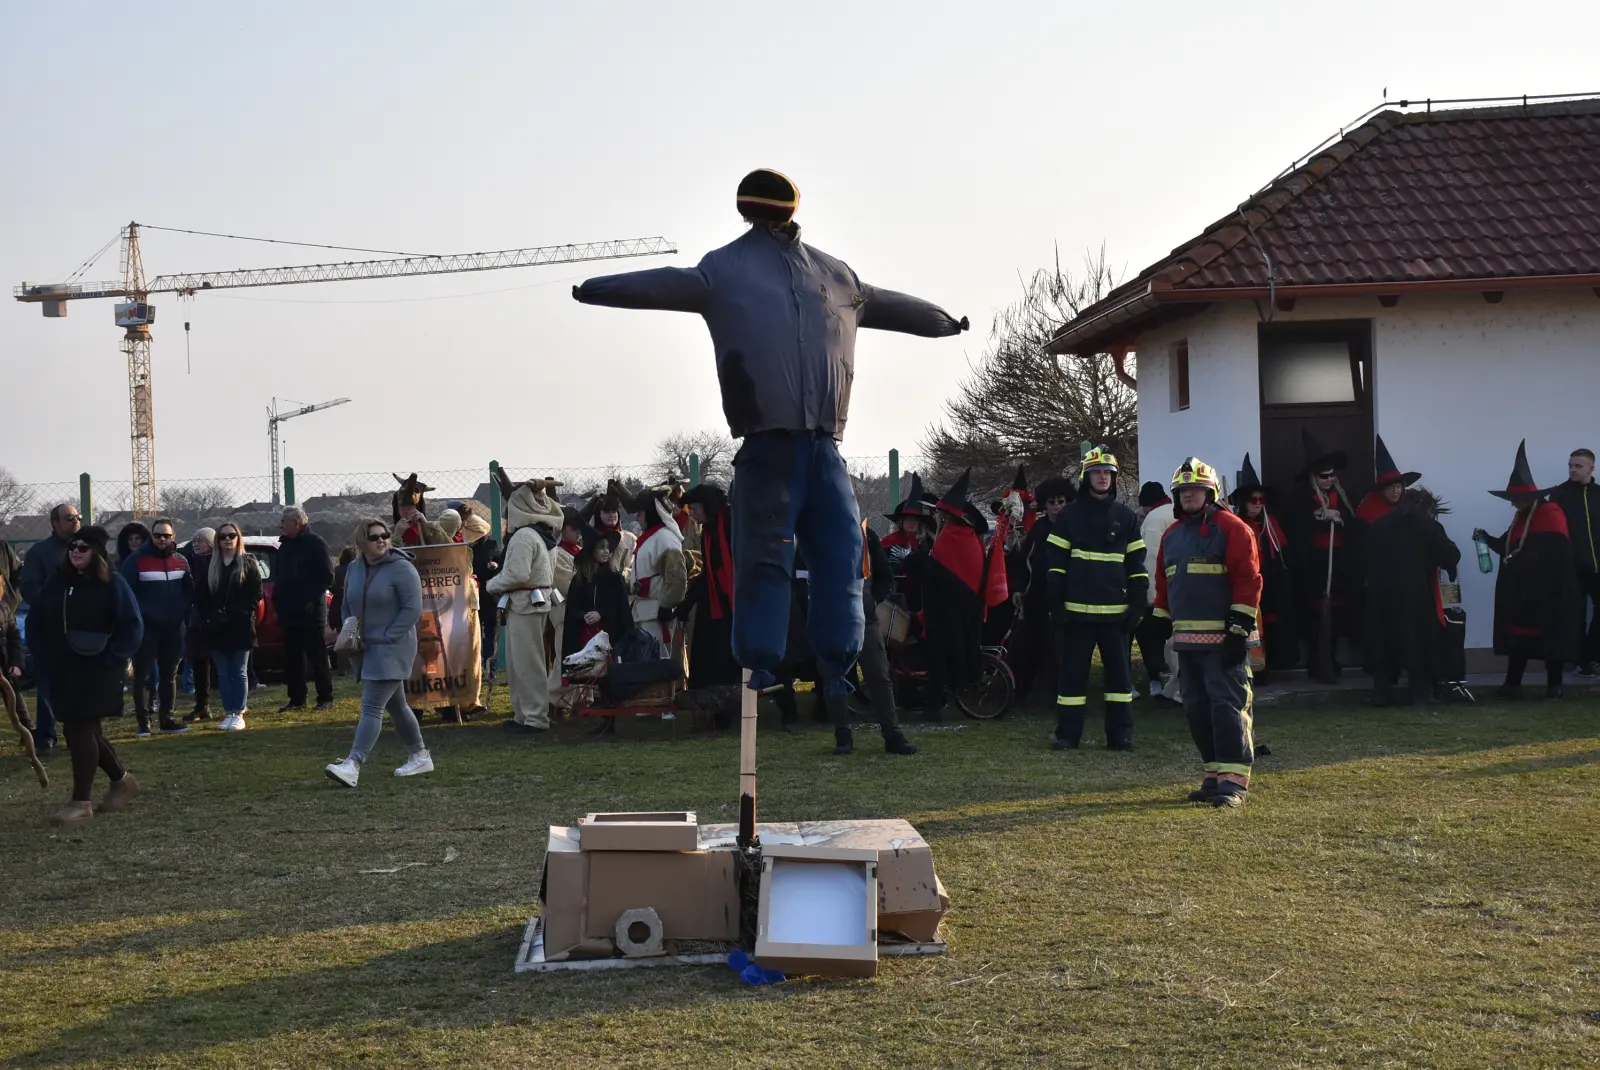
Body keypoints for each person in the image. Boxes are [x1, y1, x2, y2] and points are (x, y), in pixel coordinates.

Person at [573, 168, 967, 704]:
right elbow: (666, 284)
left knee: (817, 553)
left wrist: (941, 320)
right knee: (794, 554)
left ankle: (816, 656)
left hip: (813, 447)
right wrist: (941, 320)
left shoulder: (812, 274)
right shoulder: (809, 274)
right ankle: (774, 657)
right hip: (786, 446)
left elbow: (667, 281)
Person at [1151, 458, 1263, 809]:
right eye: (1183, 491)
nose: (1189, 496)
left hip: (1224, 643)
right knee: (1197, 710)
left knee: (1227, 709)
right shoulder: (1171, 536)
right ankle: (1214, 776)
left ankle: (1234, 784)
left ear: (1210, 492)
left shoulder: (1232, 528)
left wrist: (1238, 630)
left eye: (1195, 489)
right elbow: (1164, 583)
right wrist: (1159, 619)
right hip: (1187, 645)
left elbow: (1248, 580)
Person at [26, 526, 143, 828]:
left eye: (83, 547)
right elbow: (37, 619)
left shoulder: (112, 584)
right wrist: (41, 656)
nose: (75, 551)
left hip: (99, 667)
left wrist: (113, 657)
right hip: (62, 667)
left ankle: (81, 802)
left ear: (97, 552)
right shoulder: (57, 582)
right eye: (72, 547)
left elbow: (132, 626)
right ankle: (122, 781)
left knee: (80, 728)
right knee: (83, 730)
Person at [1047, 446, 1146, 751]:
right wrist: (1056, 602)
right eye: (1097, 472)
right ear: (1086, 476)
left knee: (1119, 681)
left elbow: (1136, 565)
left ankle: (1121, 736)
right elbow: (1055, 563)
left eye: (1108, 472)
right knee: (1072, 679)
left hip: (1116, 616)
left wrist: (1139, 602)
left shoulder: (1126, 517)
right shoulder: (1069, 515)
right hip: (1077, 615)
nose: (1103, 477)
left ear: (1114, 477)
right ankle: (1068, 734)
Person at [324, 518, 433, 786]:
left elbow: (412, 609)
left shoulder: (402, 568)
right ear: (362, 542)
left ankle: (354, 763)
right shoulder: (354, 569)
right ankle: (420, 755)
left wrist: (388, 635)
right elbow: (347, 603)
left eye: (385, 535)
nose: (382, 540)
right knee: (397, 706)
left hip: (392, 647)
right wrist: (350, 629)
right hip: (365, 646)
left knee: (371, 706)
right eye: (374, 537)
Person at [1474, 440, 1581, 700]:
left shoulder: (1550, 512)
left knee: (1550, 638)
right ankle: (1513, 684)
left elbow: (1555, 553)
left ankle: (1554, 687)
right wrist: (1486, 539)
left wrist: (1525, 564)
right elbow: (1510, 548)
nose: (1512, 504)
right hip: (1523, 595)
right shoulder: (1521, 519)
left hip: (1548, 593)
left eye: (1515, 499)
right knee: (1519, 639)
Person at [1363, 487, 1460, 706]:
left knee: (1384, 643)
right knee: (1418, 642)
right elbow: (1449, 554)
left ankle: (1382, 694)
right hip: (1414, 594)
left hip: (1380, 594)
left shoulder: (1380, 524)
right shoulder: (1424, 524)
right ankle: (1420, 694)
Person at [486, 472, 563, 734]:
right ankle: (523, 715)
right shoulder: (542, 534)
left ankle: (535, 718)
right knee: (522, 662)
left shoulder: (523, 536)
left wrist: (491, 585)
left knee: (528, 663)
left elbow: (517, 574)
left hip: (526, 603)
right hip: (532, 603)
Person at [917, 470, 988, 722]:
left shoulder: (950, 537)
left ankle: (936, 704)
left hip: (946, 612)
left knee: (939, 657)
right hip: (965, 608)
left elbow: (935, 571)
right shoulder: (972, 538)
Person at [1289, 429, 1359, 681]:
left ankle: (1332, 660)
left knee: (1336, 614)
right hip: (1315, 567)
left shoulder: (1342, 495)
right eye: (1323, 476)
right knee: (1316, 615)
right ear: (1313, 476)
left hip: (1337, 563)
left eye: (1332, 475)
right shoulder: (1301, 498)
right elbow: (1296, 528)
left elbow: (1353, 524)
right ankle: (1317, 663)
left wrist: (1340, 519)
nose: (1329, 480)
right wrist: (1320, 516)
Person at [847, 517, 918, 755]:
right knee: (833, 676)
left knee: (879, 675)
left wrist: (873, 600)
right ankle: (843, 736)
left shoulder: (866, 536)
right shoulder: (817, 533)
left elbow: (884, 574)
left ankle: (892, 734)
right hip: (833, 616)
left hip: (866, 617)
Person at [121, 516, 194, 737]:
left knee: (169, 675)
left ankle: (167, 719)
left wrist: (185, 618)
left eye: (166, 535)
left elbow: (189, 593)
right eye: (157, 535)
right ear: (151, 536)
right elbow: (126, 595)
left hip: (173, 629)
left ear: (174, 537)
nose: (161, 539)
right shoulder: (136, 561)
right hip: (146, 630)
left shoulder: (181, 561)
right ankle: (144, 723)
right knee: (143, 675)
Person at [22, 503, 84, 753]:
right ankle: (46, 737)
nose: (76, 521)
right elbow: (29, 587)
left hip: (82, 628)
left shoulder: (87, 549)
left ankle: (79, 733)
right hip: (49, 630)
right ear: (55, 523)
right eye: (69, 517)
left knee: (80, 683)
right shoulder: (40, 552)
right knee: (48, 684)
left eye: (78, 516)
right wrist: (55, 607)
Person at [1007, 475, 1073, 706]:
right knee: (1030, 646)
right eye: (1051, 502)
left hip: (1066, 598)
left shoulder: (1073, 528)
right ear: (1044, 504)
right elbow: (1024, 560)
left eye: (1060, 501)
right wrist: (1018, 589)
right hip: (1037, 597)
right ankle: (1025, 692)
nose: (1056, 506)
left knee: (1060, 649)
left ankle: (1059, 694)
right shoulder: (1039, 528)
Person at [194, 522, 263, 731]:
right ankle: (228, 712)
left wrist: (244, 612)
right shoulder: (210, 564)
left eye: (231, 536)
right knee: (223, 672)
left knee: (239, 670)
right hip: (217, 626)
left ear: (238, 538)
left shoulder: (247, 562)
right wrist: (209, 616)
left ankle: (239, 712)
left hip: (240, 625)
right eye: (223, 536)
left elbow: (256, 593)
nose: (227, 539)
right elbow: (201, 595)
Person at [1233, 454, 1297, 674]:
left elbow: (1280, 553)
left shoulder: (1271, 524)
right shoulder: (1236, 525)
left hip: (1270, 581)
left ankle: (1273, 664)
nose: (1258, 504)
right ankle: (1255, 669)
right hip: (1246, 582)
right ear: (1244, 502)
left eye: (1261, 499)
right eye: (1253, 499)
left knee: (1272, 623)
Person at [273, 506, 335, 713]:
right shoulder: (285, 547)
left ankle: (325, 697)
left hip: (311, 611)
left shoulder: (316, 544)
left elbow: (327, 576)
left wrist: (311, 599)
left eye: (284, 522)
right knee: (292, 658)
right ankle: (297, 699)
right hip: (289, 611)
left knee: (317, 656)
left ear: (296, 523)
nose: (281, 525)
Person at [681, 482, 740, 690]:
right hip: (721, 603)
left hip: (743, 600)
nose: (692, 515)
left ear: (707, 505)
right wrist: (688, 602)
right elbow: (709, 573)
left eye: (694, 509)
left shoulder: (733, 522)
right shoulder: (708, 531)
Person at [1551, 447, 1600, 677]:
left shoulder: (1599, 494)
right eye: (1570, 465)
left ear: (1591, 468)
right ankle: (1580, 661)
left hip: (1597, 566)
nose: (1573, 469)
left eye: (1578, 466)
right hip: (1572, 566)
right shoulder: (1559, 495)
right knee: (1575, 614)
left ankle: (1591, 654)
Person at [628, 483, 687, 647]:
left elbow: (677, 579)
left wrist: (667, 606)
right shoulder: (651, 538)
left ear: (651, 512)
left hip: (657, 613)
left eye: (640, 514)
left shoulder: (665, 539)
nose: (637, 518)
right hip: (645, 612)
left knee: (659, 663)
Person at [562, 526, 632, 663]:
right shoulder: (580, 579)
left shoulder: (614, 577)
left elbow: (621, 607)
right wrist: (584, 614)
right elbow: (573, 608)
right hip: (585, 634)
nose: (606, 552)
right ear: (591, 551)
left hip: (609, 634)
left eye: (607, 548)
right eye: (601, 548)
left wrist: (601, 613)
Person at [1133, 480, 1176, 696]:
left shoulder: (1153, 519)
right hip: (1182, 590)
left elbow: (1149, 559)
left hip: (1160, 592)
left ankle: (1159, 682)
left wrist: (1148, 598)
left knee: (1152, 637)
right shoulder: (1179, 511)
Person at [180, 526, 217, 722]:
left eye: (200, 540)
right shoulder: (189, 562)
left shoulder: (217, 563)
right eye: (194, 540)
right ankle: (202, 705)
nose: (196, 544)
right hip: (196, 619)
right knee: (199, 663)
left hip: (214, 618)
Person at [1356, 435, 1420, 526]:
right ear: (1382, 490)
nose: (1395, 491)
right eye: (1390, 488)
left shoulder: (1407, 506)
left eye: (1398, 487)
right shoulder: (1369, 508)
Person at [579, 481, 637, 580]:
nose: (612, 515)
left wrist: (625, 575)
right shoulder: (587, 540)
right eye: (607, 511)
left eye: (614, 511)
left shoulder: (630, 539)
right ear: (598, 514)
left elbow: (635, 568)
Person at [0, 574, 28, 733]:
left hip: (5, 666)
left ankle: (28, 735)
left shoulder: (4, 607)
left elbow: (14, 637)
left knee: (18, 706)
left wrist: (16, 663)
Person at [391, 473, 448, 547]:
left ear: (418, 507)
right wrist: (396, 535)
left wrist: (426, 526)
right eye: (402, 505)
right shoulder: (388, 531)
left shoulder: (432, 527)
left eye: (411, 505)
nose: (407, 509)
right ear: (396, 507)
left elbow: (447, 548)